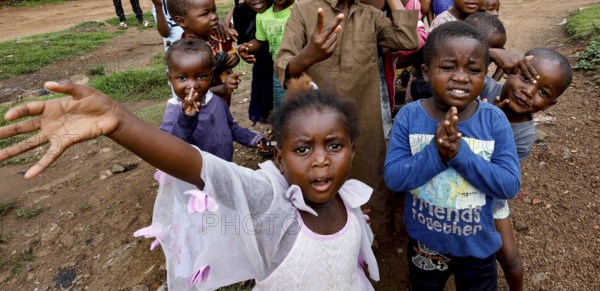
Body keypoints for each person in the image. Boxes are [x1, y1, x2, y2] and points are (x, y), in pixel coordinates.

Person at [0, 78, 380, 290]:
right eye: (302, 148)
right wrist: (118, 120)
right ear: (279, 159)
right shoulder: (270, 204)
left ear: (351, 149)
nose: (320, 159)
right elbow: (198, 166)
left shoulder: (349, 198)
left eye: (334, 145)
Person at [275, 0, 420, 238]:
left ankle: (370, 247)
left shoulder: (371, 16)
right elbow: (284, 63)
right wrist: (308, 56)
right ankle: (320, 240)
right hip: (317, 127)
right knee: (319, 185)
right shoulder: (303, 12)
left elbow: (409, 40)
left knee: (368, 185)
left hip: (363, 124)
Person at [384, 22, 521, 290]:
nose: (461, 77)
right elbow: (394, 179)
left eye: (473, 69)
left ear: (485, 76)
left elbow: (509, 185)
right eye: (448, 67)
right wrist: (435, 153)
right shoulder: (409, 117)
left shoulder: (494, 120)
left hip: (477, 246)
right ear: (426, 72)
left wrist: (460, 154)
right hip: (426, 246)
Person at [480, 47, 572, 291]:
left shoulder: (524, 135)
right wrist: (489, 53)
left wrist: (490, 126)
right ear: (511, 70)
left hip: (489, 195)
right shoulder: (483, 87)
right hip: (450, 179)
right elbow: (458, 58)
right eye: (525, 78)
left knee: (510, 258)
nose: (528, 92)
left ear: (549, 105)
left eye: (542, 92)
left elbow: (500, 180)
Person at [160, 38, 266, 161]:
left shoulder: (217, 102)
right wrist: (186, 118)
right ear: (170, 78)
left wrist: (254, 139)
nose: (193, 85)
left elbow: (230, 127)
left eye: (201, 76)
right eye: (182, 78)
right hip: (196, 177)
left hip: (223, 168)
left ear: (211, 76)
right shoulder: (174, 111)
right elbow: (170, 148)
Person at [238, 0, 304, 110]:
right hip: (279, 72)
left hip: (306, 69)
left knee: (308, 108)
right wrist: (246, 48)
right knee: (282, 110)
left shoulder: (303, 9)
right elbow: (260, 40)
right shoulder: (263, 16)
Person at [166, 0, 241, 104]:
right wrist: (222, 89)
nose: (214, 17)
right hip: (202, 107)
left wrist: (234, 58)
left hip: (223, 101)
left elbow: (230, 52)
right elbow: (192, 90)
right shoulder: (184, 52)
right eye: (205, 14)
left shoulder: (218, 36)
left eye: (214, 11)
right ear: (181, 21)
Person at [231, 0, 273, 124]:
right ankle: (271, 136)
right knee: (264, 104)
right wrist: (244, 50)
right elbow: (243, 42)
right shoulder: (240, 12)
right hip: (262, 65)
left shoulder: (278, 7)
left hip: (284, 64)